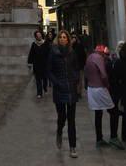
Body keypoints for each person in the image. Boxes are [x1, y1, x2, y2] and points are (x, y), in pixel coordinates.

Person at [84, 44, 123, 149]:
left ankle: (99, 139)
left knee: (98, 113)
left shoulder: (90, 57)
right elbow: (104, 75)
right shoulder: (98, 58)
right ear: (101, 52)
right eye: (105, 54)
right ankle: (113, 137)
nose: (106, 57)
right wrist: (107, 85)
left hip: (91, 89)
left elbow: (86, 74)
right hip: (100, 88)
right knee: (114, 111)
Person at [48, 29, 80, 158]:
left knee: (72, 120)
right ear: (58, 39)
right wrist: (56, 83)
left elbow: (77, 68)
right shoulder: (53, 53)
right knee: (62, 117)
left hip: (71, 89)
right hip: (59, 89)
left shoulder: (72, 53)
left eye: (65, 37)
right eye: (60, 37)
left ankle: (73, 147)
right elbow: (49, 71)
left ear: (68, 40)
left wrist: (76, 79)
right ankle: (59, 131)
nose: (62, 39)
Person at [27, 29, 49, 99]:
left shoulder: (45, 43)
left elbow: (49, 53)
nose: (39, 37)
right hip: (37, 64)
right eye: (37, 36)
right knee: (38, 80)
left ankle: (45, 87)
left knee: (45, 78)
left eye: (40, 35)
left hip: (44, 64)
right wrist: (29, 62)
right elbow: (31, 54)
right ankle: (39, 93)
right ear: (35, 37)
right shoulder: (34, 44)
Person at [71, 33, 87, 98]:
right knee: (73, 79)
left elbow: (83, 55)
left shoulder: (80, 46)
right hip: (72, 66)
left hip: (79, 66)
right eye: (72, 38)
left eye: (74, 37)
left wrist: (83, 64)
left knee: (79, 79)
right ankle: (74, 91)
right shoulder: (69, 46)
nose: (73, 39)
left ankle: (78, 92)